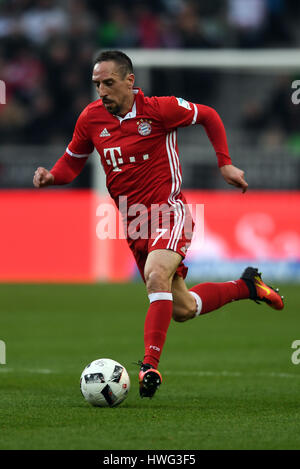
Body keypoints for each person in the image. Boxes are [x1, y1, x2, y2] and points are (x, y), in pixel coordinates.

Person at [33, 50, 284, 399]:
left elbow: (208, 115)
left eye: (108, 83)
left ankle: (150, 365)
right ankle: (248, 286)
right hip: (133, 224)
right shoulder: (90, 118)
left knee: (155, 275)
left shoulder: (159, 109)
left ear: (129, 81)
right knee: (182, 309)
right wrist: (51, 176)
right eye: (96, 85)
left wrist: (225, 164)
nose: (101, 91)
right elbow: (72, 163)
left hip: (169, 211)